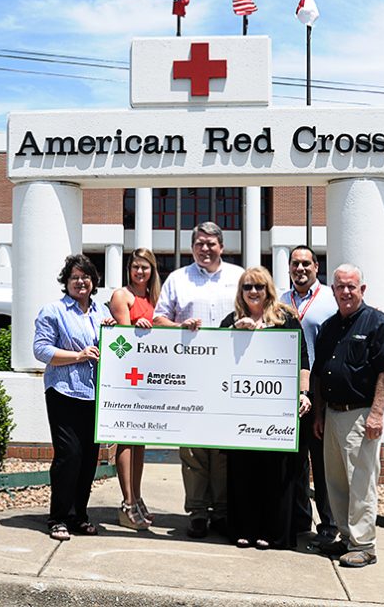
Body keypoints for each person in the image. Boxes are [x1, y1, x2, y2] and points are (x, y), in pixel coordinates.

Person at [154, 221, 244, 539]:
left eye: (211, 243)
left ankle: (220, 512)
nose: (205, 249)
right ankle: (197, 512)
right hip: (189, 375)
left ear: (222, 246)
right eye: (199, 244)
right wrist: (178, 325)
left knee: (221, 448)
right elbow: (158, 318)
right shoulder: (178, 279)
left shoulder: (238, 277)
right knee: (192, 448)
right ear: (192, 247)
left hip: (227, 374)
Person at [311, 264, 384, 568]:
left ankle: (365, 545)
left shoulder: (378, 323)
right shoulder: (329, 327)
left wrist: (377, 413)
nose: (346, 292)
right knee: (336, 482)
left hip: (361, 416)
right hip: (332, 415)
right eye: (340, 287)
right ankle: (347, 539)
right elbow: (319, 375)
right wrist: (320, 414)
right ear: (332, 290)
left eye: (351, 286)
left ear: (362, 289)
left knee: (360, 483)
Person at [220, 266, 311, 549]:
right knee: (243, 473)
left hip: (277, 413)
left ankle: (273, 533)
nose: (253, 292)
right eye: (247, 287)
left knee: (276, 474)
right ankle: (243, 530)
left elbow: (303, 360)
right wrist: (235, 332)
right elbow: (215, 357)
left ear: (268, 289)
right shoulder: (231, 320)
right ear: (241, 291)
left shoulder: (285, 320)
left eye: (259, 286)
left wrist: (303, 393)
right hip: (242, 412)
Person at [34, 254, 113, 542]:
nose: (81, 282)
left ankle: (79, 515)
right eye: (75, 277)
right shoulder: (53, 311)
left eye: (86, 277)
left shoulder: (99, 311)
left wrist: (113, 329)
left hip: (93, 393)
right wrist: (77, 356)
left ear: (94, 282)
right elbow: (41, 350)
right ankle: (58, 517)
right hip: (64, 390)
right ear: (66, 282)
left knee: (90, 458)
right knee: (70, 455)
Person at [279, 245, 339, 544]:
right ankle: (300, 518)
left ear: (316, 266)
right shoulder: (281, 300)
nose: (300, 269)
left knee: (322, 460)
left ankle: (328, 523)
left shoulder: (330, 299)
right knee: (295, 460)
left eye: (305, 263)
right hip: (287, 392)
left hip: (319, 393)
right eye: (295, 264)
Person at [108, 248, 161, 530]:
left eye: (145, 268)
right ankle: (127, 502)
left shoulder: (154, 297)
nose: (140, 272)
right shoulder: (122, 296)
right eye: (136, 267)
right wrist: (138, 327)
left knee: (140, 439)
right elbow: (124, 340)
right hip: (129, 375)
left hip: (150, 376)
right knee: (126, 438)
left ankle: (137, 497)